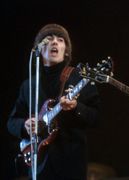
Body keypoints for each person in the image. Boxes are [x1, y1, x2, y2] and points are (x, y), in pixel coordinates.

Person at [7, 24, 100, 180]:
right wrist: (25, 125)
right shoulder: (29, 85)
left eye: (60, 40)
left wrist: (76, 107)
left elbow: (96, 118)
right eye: (49, 39)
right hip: (38, 165)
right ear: (40, 49)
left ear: (66, 51)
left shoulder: (79, 78)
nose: (55, 42)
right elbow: (11, 122)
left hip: (70, 164)